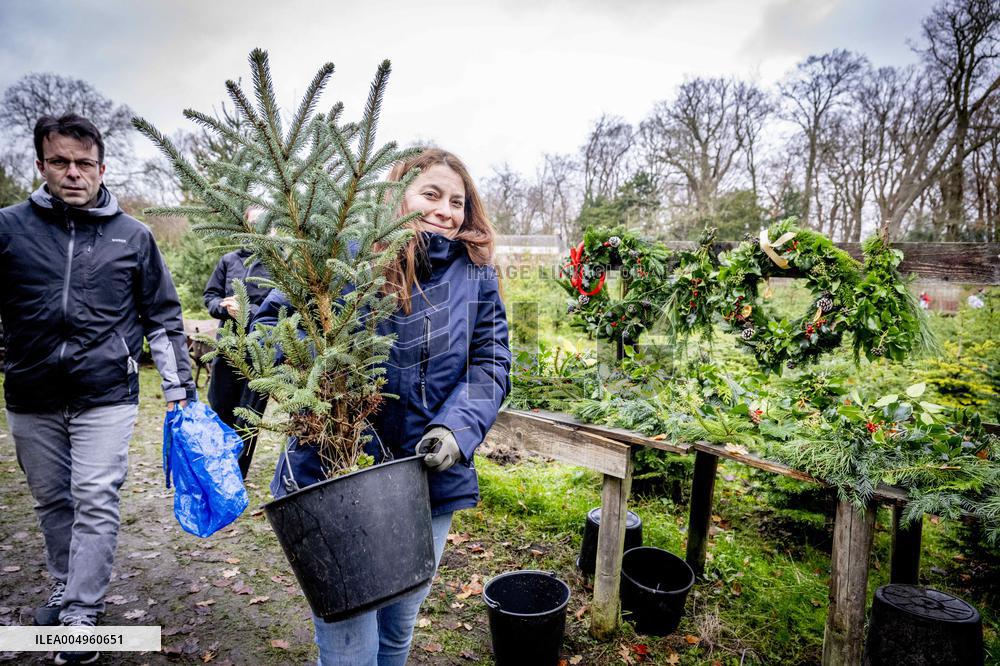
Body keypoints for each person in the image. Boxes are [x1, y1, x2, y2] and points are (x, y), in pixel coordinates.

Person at [254, 148, 511, 666]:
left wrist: (457, 431)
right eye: (431, 194)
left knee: (398, 629)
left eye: (457, 201)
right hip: (336, 479)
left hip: (427, 478)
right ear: (398, 198)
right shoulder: (341, 255)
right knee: (349, 641)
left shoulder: (476, 274)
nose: (445, 210)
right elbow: (267, 333)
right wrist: (310, 370)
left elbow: (491, 362)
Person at [0, 114, 195, 664]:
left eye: (84, 164)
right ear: (40, 165)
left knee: (94, 494)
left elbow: (163, 316)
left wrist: (179, 391)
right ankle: (64, 586)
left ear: (101, 168)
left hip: (105, 392)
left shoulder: (133, 236)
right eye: (60, 162)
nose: (73, 173)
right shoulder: (9, 228)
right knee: (52, 499)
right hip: (31, 393)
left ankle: (82, 615)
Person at [203, 211, 272, 477]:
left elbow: (280, 308)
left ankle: (237, 473)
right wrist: (223, 306)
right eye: (251, 223)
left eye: (262, 223)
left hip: (259, 352)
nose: (255, 228)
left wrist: (249, 310)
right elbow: (209, 297)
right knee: (220, 406)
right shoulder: (228, 260)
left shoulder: (275, 263)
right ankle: (218, 469)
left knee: (249, 414)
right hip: (227, 348)